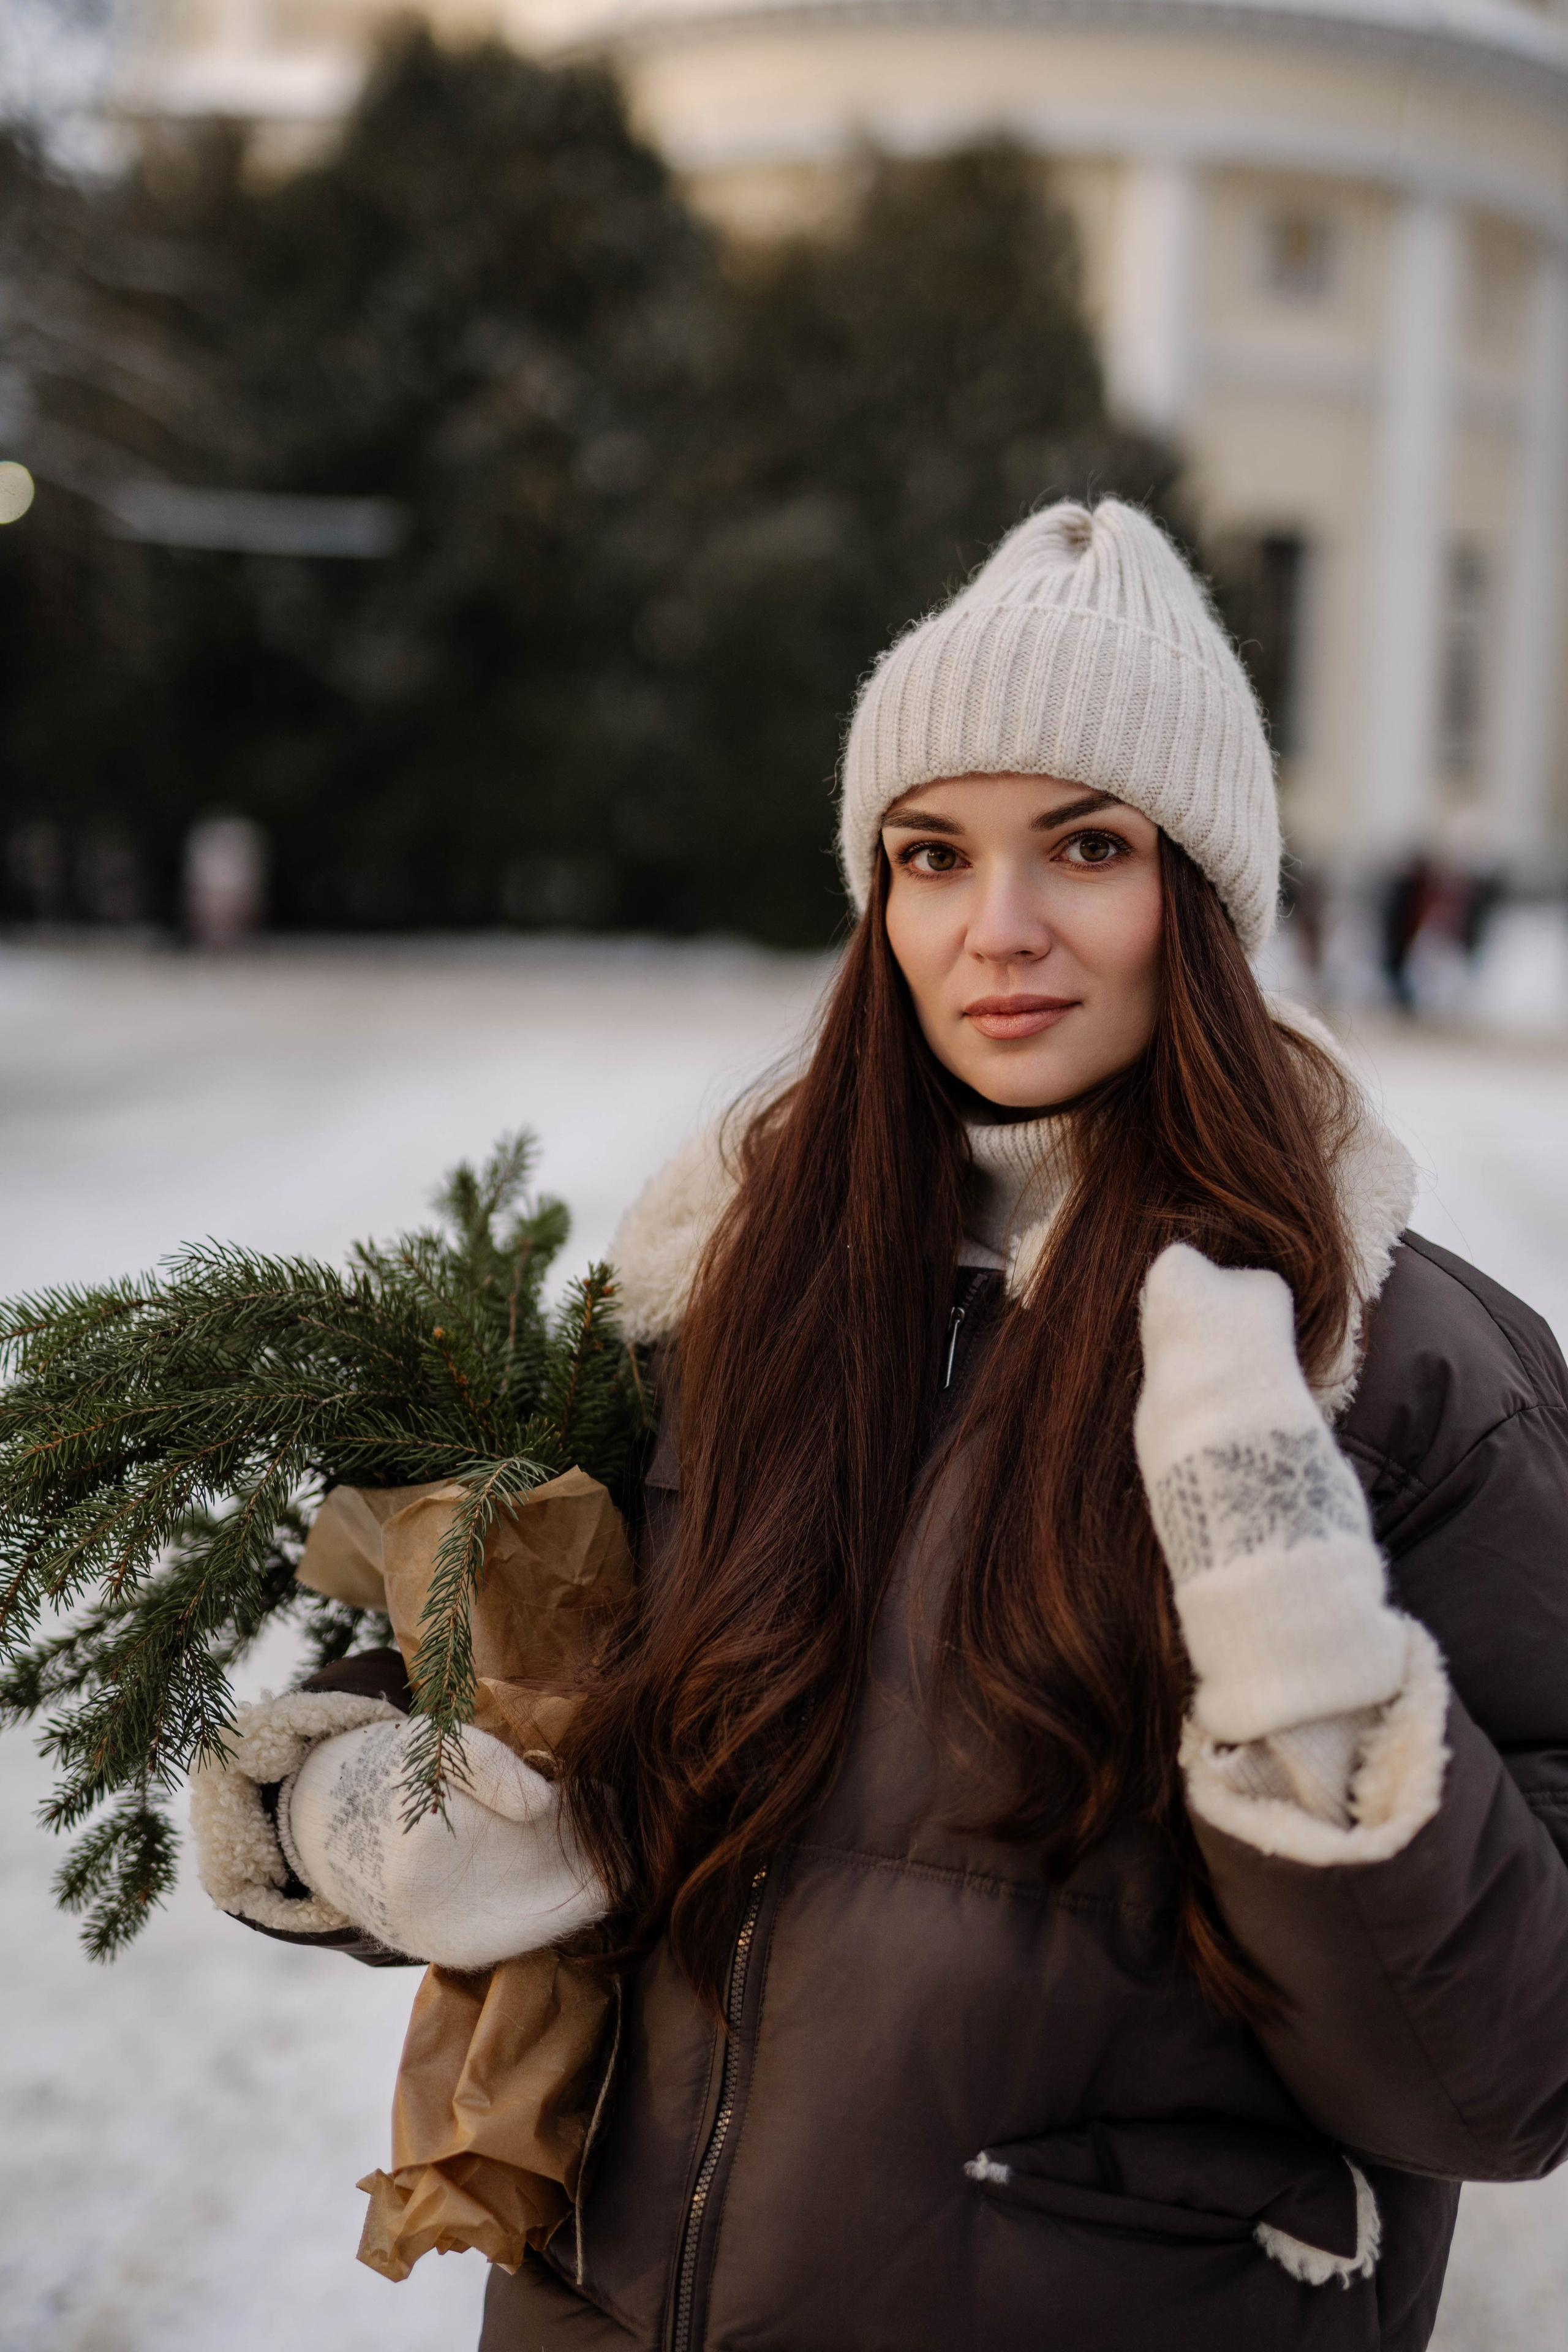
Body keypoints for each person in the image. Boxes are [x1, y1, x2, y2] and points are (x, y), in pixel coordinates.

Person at [194, 502, 1568, 2351]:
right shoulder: (715, 1292)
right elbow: (510, 1667)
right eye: (933, 856)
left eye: (1086, 846)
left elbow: (1502, 2078)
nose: (997, 931)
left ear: (1209, 897)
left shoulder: (1406, 1374)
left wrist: (1309, 1660)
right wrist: (362, 1804)